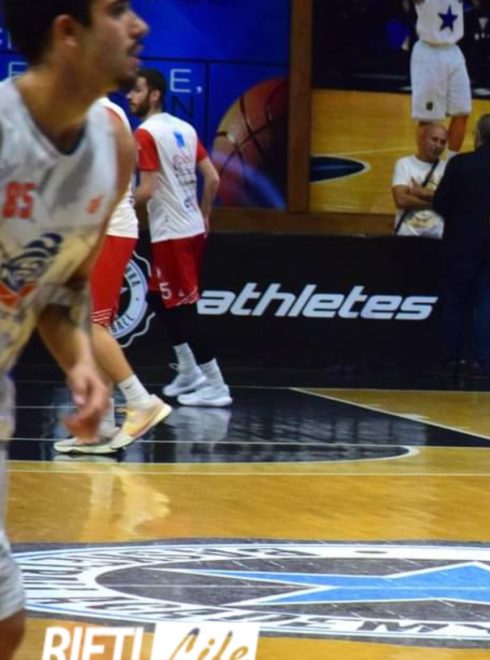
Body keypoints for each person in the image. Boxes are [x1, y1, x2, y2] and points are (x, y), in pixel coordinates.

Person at [0, 0, 148, 655]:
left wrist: (81, 364)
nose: (139, 25)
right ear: (68, 33)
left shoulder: (112, 147)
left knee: (7, 626)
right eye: (117, 10)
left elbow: (62, 285)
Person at [53, 97, 172, 455]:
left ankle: (141, 402)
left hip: (106, 231)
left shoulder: (100, 112)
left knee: (90, 325)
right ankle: (100, 425)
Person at [127, 68, 231, 407]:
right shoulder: (184, 127)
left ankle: (216, 385)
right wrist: (205, 213)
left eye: (136, 90)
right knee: (157, 297)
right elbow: (212, 178)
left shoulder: (146, 133)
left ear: (155, 94)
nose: (129, 96)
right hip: (190, 228)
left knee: (185, 309)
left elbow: (147, 189)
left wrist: (113, 205)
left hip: (173, 233)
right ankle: (188, 370)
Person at [432, 113, 490, 378]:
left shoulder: (460, 163)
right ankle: (481, 361)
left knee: (456, 303)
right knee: (488, 304)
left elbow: (440, 202)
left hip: (460, 246)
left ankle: (450, 359)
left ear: (476, 135)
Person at [411, 0, 472, 154]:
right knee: (428, 118)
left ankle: (451, 164)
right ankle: (425, 165)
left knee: (462, 111)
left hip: (454, 50)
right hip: (429, 51)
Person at [392, 122, 449, 238]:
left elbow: (451, 201)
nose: (438, 145)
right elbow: (401, 200)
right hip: (407, 237)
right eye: (434, 139)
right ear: (423, 139)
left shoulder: (448, 168)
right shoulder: (404, 164)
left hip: (437, 239)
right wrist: (436, 203)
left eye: (442, 142)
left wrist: (422, 193)